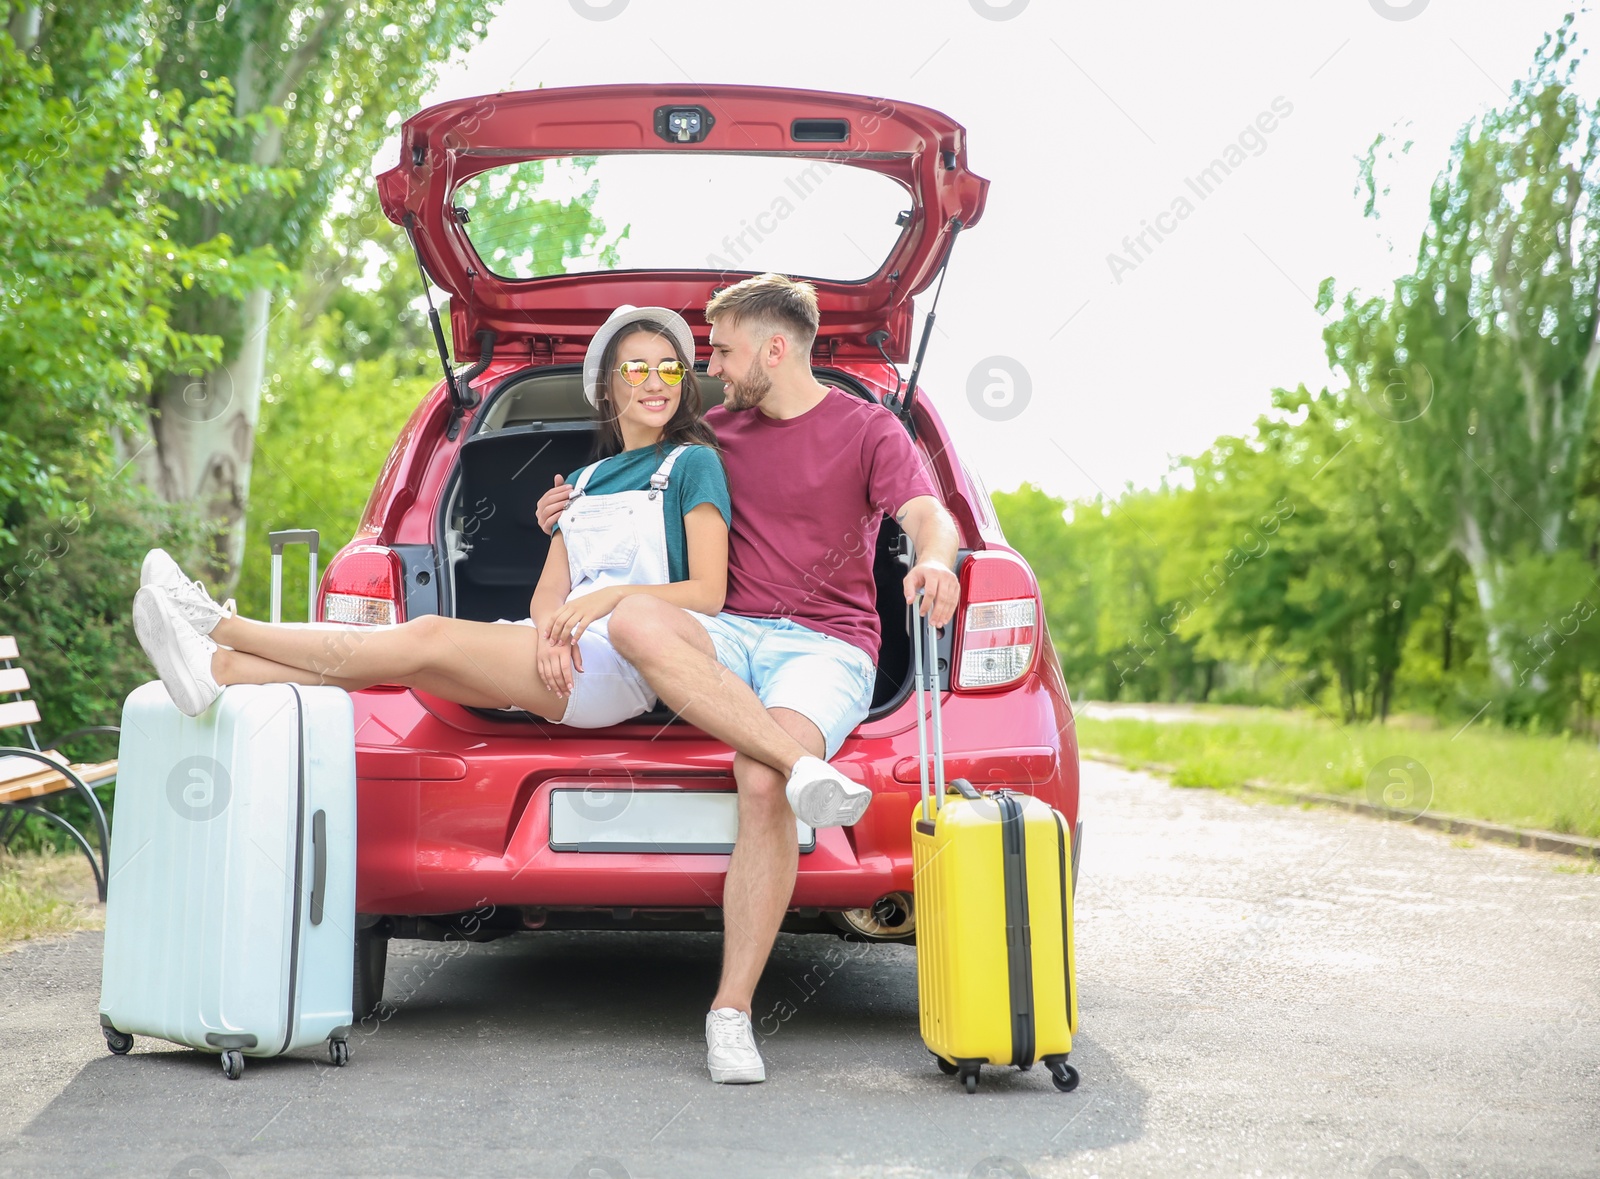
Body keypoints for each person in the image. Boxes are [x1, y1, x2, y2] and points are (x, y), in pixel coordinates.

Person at [534, 273, 962, 1085]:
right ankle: (813, 772)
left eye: (723, 351)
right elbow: (617, 478)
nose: (710, 371)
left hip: (826, 647)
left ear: (775, 348)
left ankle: (729, 1012)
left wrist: (937, 561)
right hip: (728, 631)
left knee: (759, 779)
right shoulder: (713, 435)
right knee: (632, 619)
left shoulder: (870, 431)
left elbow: (925, 515)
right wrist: (559, 508)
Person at [129, 306, 743, 734]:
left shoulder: (693, 465)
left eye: (669, 369)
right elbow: (548, 597)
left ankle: (221, 626)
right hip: (568, 654)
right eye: (637, 368)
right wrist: (554, 631)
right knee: (404, 662)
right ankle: (222, 669)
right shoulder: (578, 485)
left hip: (629, 669)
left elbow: (706, 594)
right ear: (608, 386)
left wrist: (600, 608)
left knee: (425, 636)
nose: (655, 382)